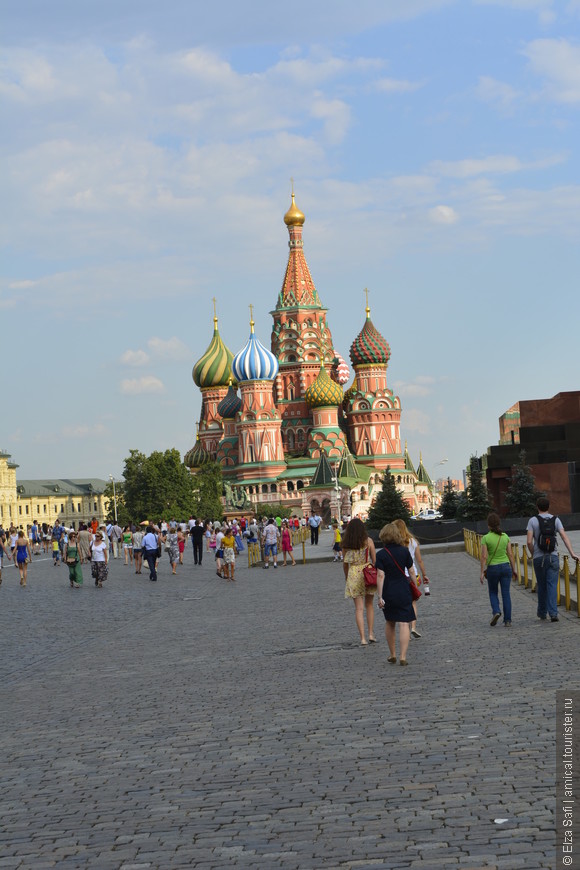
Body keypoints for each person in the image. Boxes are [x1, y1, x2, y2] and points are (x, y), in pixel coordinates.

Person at [526, 496, 579, 622]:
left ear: (537, 507)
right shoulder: (556, 520)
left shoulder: (532, 521)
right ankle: (553, 613)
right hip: (553, 557)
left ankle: (542, 612)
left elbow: (529, 542)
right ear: (548, 507)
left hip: (539, 558)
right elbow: (564, 536)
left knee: (542, 585)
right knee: (552, 585)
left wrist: (534, 554)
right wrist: (572, 553)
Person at [375, 522, 417, 665]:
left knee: (390, 622)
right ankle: (403, 656)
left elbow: (380, 576)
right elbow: (411, 571)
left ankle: (392, 653)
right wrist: (415, 587)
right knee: (404, 623)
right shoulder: (404, 551)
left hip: (388, 591)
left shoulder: (380, 555)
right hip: (403, 589)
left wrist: (380, 596)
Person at [342, 517, 377, 645]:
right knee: (369, 605)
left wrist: (347, 577)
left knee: (359, 609)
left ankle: (362, 638)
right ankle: (371, 634)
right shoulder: (369, 541)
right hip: (367, 573)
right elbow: (375, 560)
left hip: (353, 574)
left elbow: (345, 564)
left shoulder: (346, 544)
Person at [479, 512, 517, 626]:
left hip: (493, 568)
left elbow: (484, 556)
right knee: (506, 594)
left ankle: (496, 611)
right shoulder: (505, 536)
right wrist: (514, 569)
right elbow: (510, 554)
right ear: (499, 524)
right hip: (506, 567)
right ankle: (508, 620)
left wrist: (481, 572)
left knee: (493, 592)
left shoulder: (486, 538)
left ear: (488, 525)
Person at [394, 519, 428, 639]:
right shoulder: (413, 542)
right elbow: (419, 560)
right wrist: (424, 575)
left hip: (399, 576)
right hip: (414, 575)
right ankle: (413, 627)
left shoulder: (395, 543)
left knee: (402, 604)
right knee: (413, 602)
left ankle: (406, 630)